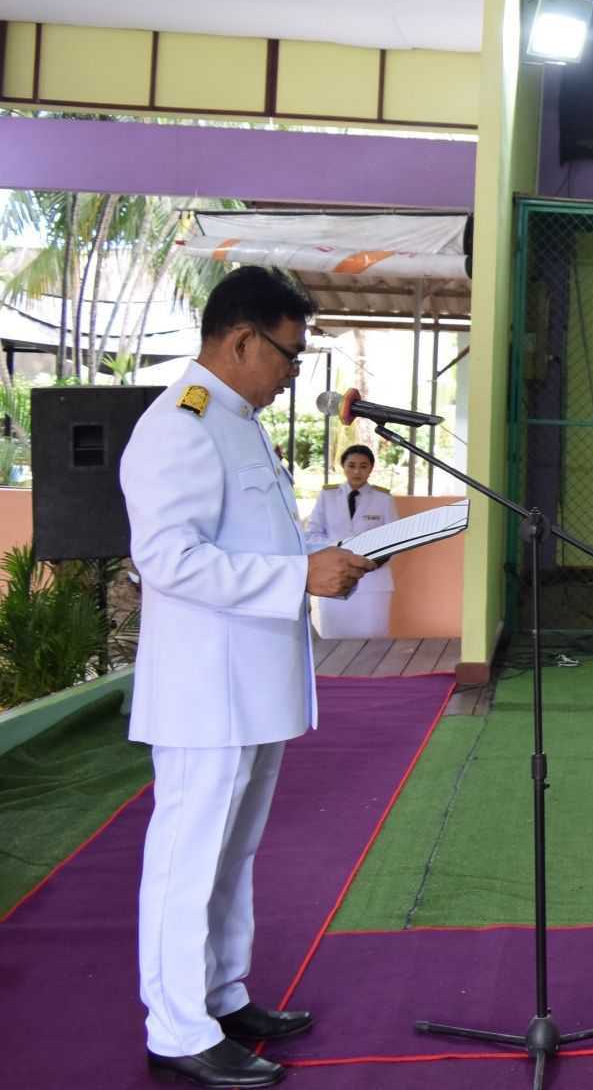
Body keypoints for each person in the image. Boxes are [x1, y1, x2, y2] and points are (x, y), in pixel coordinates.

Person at [121, 266, 375, 1088]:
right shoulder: (181, 425)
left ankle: (222, 995)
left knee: (233, 851)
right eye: (288, 354)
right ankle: (177, 1029)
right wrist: (300, 575)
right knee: (189, 855)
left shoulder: (238, 421)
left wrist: (319, 563)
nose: (293, 372)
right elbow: (168, 559)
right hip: (204, 689)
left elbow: (254, 543)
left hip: (251, 682)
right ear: (239, 340)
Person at [302, 444, 398, 640]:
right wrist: (339, 548)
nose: (357, 471)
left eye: (363, 466)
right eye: (351, 465)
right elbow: (313, 534)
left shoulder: (383, 498)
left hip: (373, 582)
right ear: (343, 467)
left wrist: (370, 560)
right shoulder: (328, 495)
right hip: (334, 579)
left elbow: (394, 537)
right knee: (335, 639)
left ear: (371, 468)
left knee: (373, 639)